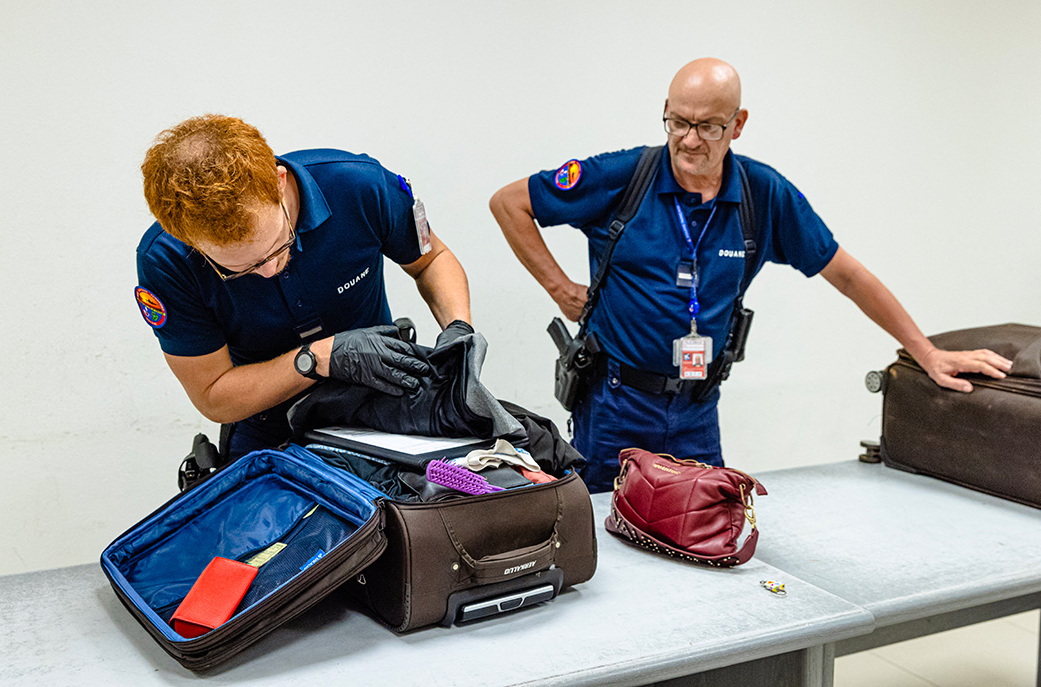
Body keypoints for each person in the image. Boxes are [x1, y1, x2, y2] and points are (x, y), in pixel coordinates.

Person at [489, 58, 1012, 493]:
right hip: (615, 403)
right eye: (677, 122)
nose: (689, 140)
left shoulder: (763, 195)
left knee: (703, 542)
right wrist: (560, 289)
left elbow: (848, 274)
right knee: (606, 546)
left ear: (737, 124)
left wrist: (925, 351)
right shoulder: (621, 176)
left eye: (708, 126)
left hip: (698, 408)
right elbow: (510, 203)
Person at [135, 114, 472, 461]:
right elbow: (213, 393)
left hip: (384, 402)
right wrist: (320, 358)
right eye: (241, 269)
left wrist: (458, 327)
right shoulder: (166, 260)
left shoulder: (359, 186)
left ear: (279, 181)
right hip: (268, 427)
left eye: (279, 246)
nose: (267, 270)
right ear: (185, 238)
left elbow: (431, 260)